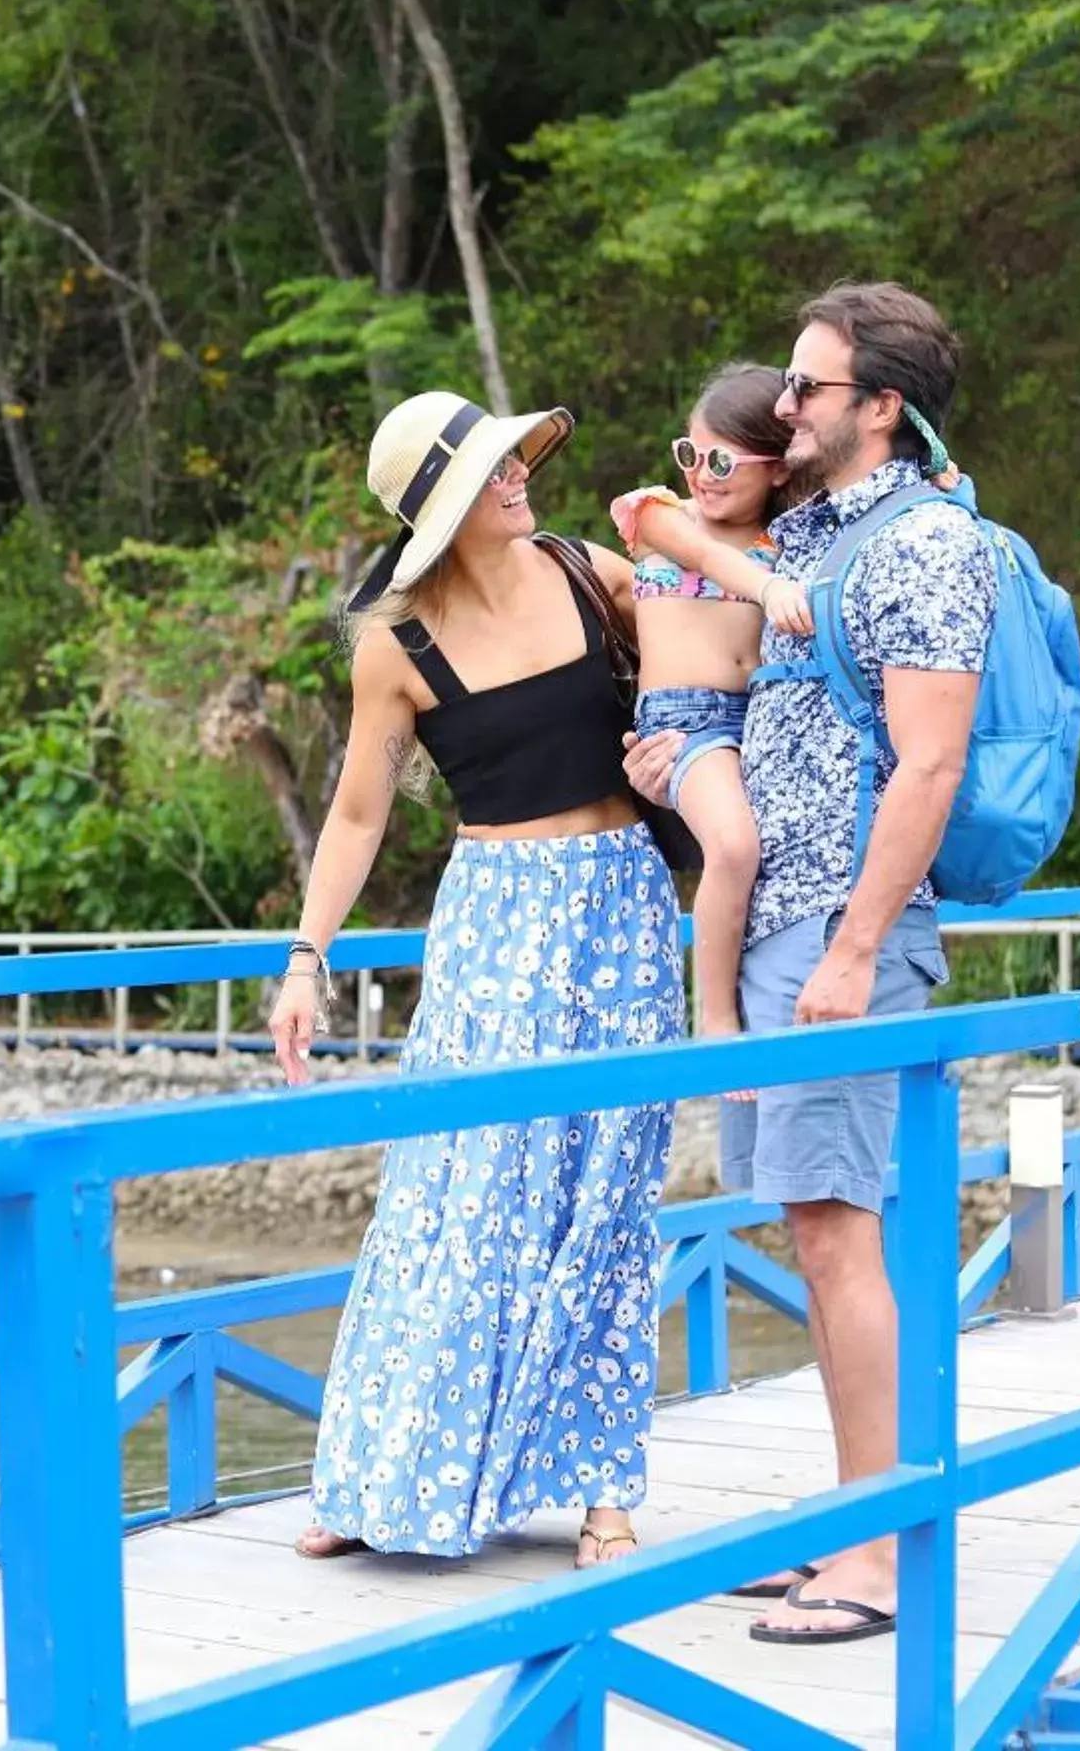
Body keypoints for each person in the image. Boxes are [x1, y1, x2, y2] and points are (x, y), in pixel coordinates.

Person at [625, 282, 995, 1646]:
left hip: (834, 933)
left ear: (879, 406)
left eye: (805, 389)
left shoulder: (924, 546)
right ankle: (849, 1526)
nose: (780, 410)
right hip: (778, 917)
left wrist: (846, 953)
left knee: (837, 1232)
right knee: (811, 1222)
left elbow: (930, 761)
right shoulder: (819, 538)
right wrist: (674, 772)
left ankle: (878, 1561)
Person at [271, 389, 684, 1572]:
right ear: (441, 511)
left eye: (511, 458)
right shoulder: (391, 647)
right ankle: (375, 1469)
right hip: (493, 923)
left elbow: (700, 658)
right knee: (458, 1191)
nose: (518, 474)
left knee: (604, 1190)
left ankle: (602, 1483)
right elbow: (355, 815)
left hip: (620, 908)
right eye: (492, 469)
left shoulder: (581, 568)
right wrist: (305, 958)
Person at [605, 364, 815, 1039]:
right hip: (684, 721)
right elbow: (701, 552)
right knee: (733, 846)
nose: (703, 471)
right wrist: (765, 587)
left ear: (778, 469)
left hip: (760, 721)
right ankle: (716, 1016)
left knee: (780, 859)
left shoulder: (792, 535)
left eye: (723, 459)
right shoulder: (662, 516)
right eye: (691, 452)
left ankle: (769, 991)